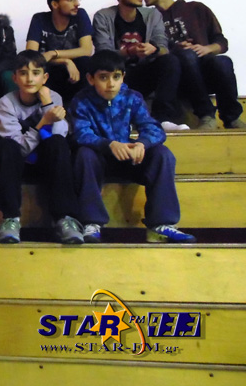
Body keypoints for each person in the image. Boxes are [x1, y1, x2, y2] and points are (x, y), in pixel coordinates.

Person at [70, 50, 196, 244]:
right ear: (90, 79)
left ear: (123, 77)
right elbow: (80, 133)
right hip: (100, 159)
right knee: (84, 154)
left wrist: (142, 144)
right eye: (103, 77)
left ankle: (161, 223)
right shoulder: (81, 101)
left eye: (116, 77)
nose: (111, 84)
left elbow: (153, 128)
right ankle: (91, 222)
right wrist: (108, 144)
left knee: (162, 154)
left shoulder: (132, 97)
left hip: (129, 158)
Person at [0, 51, 83, 245]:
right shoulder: (6, 103)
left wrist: (47, 104)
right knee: (6, 146)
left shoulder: (53, 97)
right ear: (15, 78)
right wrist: (43, 122)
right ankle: (10, 218)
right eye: (23, 73)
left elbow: (59, 135)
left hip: (47, 161)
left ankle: (64, 218)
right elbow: (19, 149)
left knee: (58, 143)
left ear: (45, 77)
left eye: (36, 73)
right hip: (18, 163)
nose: (30, 79)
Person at [142, 0, 244, 130]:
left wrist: (206, 48)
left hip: (205, 71)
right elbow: (151, 53)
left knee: (223, 61)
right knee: (186, 55)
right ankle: (206, 115)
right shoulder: (148, 18)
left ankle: (232, 118)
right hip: (176, 79)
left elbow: (221, 42)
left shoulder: (196, 9)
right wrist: (176, 49)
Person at [92, 0, 188, 131]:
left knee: (170, 61)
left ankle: (163, 118)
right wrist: (130, 51)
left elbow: (163, 46)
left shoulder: (152, 15)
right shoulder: (103, 16)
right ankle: (119, 119)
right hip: (118, 76)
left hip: (144, 72)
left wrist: (154, 49)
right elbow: (103, 54)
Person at [25, 0, 93, 103]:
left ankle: (82, 108)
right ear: (55, 4)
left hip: (76, 72)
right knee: (35, 69)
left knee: (85, 62)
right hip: (50, 71)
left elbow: (87, 50)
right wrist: (65, 61)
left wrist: (53, 53)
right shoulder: (39, 19)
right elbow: (31, 56)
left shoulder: (80, 15)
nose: (77, 3)